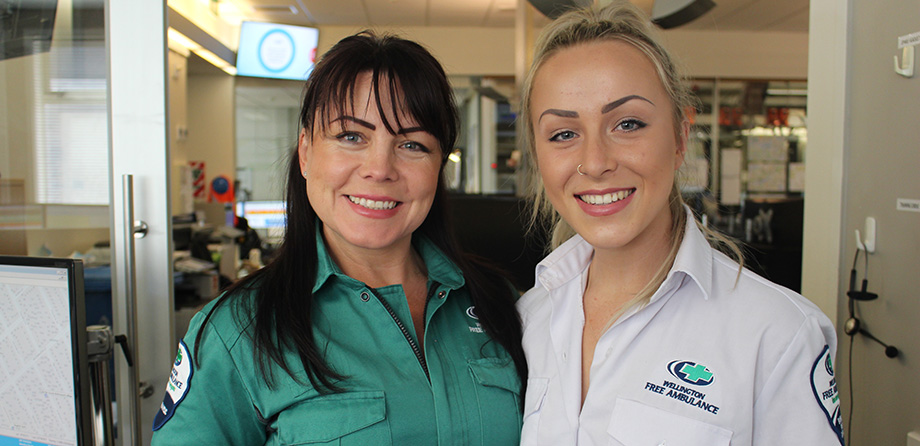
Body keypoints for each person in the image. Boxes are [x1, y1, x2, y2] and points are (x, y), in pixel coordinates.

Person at [151, 32, 526, 445]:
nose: (379, 168)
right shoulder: (238, 331)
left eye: (412, 144)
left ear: (439, 167)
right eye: (351, 137)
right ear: (306, 152)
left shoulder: (500, 303)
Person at [516, 2, 843, 445]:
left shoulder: (777, 334)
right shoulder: (529, 317)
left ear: (680, 136)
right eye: (563, 134)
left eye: (628, 124)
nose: (594, 163)